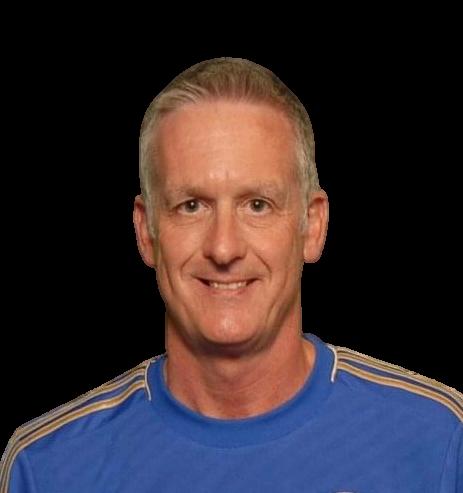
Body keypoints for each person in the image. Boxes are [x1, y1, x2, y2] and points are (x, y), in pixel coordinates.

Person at [1, 57, 461, 492]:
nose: (224, 248)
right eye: (191, 206)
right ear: (146, 231)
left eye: (257, 205)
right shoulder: (49, 468)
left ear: (312, 225)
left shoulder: (440, 439)